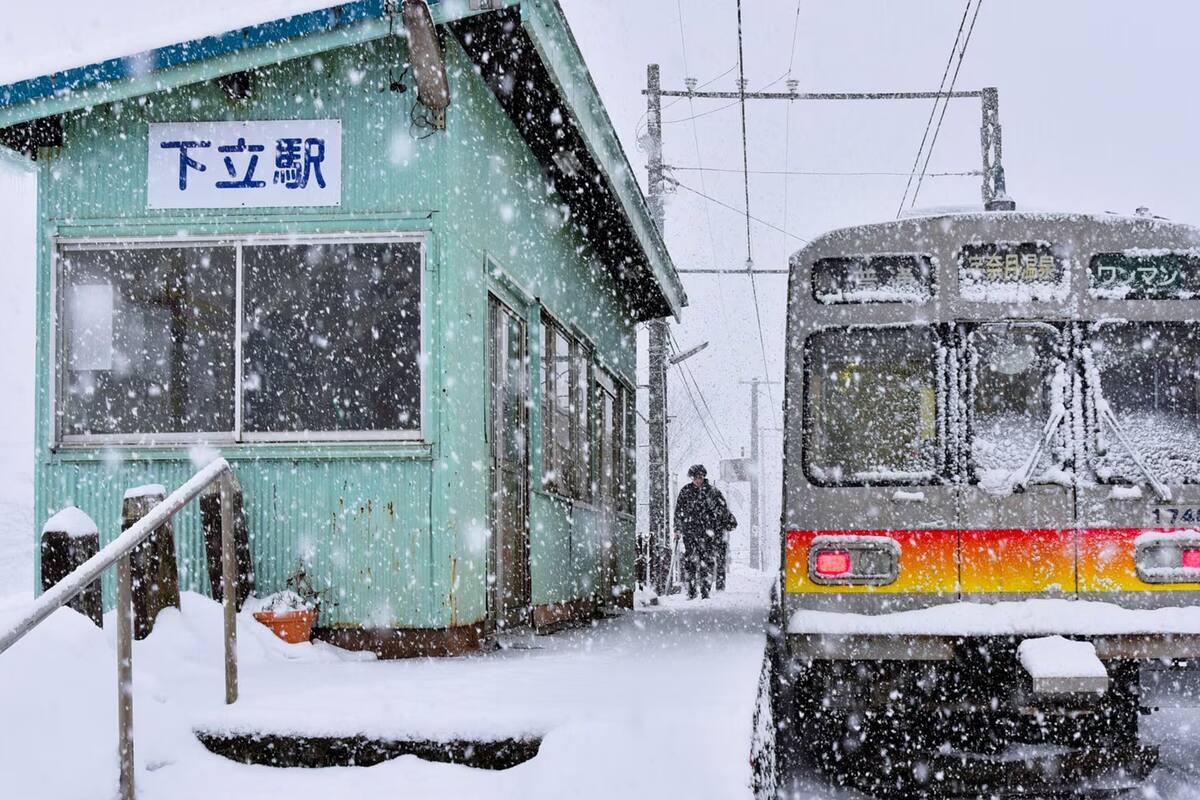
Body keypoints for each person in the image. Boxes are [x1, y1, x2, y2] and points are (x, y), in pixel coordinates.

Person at [673, 464, 735, 599]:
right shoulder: (685, 492)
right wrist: (677, 529)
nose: (697, 480)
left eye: (700, 477)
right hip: (690, 532)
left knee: (706, 561)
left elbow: (722, 510)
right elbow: (679, 512)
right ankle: (691, 591)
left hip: (708, 533)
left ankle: (705, 591)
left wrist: (721, 523)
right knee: (690, 561)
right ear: (691, 478)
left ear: (704, 476)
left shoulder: (712, 492)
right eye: (695, 477)